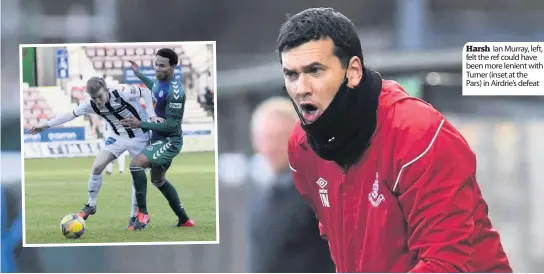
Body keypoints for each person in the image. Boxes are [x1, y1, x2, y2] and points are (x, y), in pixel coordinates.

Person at [280, 7, 512, 273]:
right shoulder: (301, 147)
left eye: (315, 71)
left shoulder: (419, 135)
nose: (301, 88)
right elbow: (340, 244)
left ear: (353, 71)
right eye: (291, 75)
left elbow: (446, 264)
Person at [28, 77, 159, 228]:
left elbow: (146, 92)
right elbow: (70, 114)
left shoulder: (121, 91)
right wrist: (45, 126)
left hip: (139, 137)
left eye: (100, 96)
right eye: (94, 98)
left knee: (137, 175)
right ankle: (91, 204)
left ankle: (134, 215)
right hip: (117, 137)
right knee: (97, 166)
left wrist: (151, 115)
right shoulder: (90, 104)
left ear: (107, 90)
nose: (98, 101)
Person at [247, 97, 335, 273]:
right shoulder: (263, 192)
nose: (272, 146)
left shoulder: (319, 189)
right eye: (266, 137)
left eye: (280, 137)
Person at [121, 48, 195, 230]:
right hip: (157, 140)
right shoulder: (160, 82)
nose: (157, 69)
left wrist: (141, 124)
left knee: (136, 164)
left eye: (162, 66)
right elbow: (154, 86)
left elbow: (171, 126)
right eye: (156, 64)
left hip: (170, 141)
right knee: (158, 180)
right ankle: (184, 219)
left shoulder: (175, 92)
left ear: (173, 67)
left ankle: (143, 214)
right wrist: (139, 74)